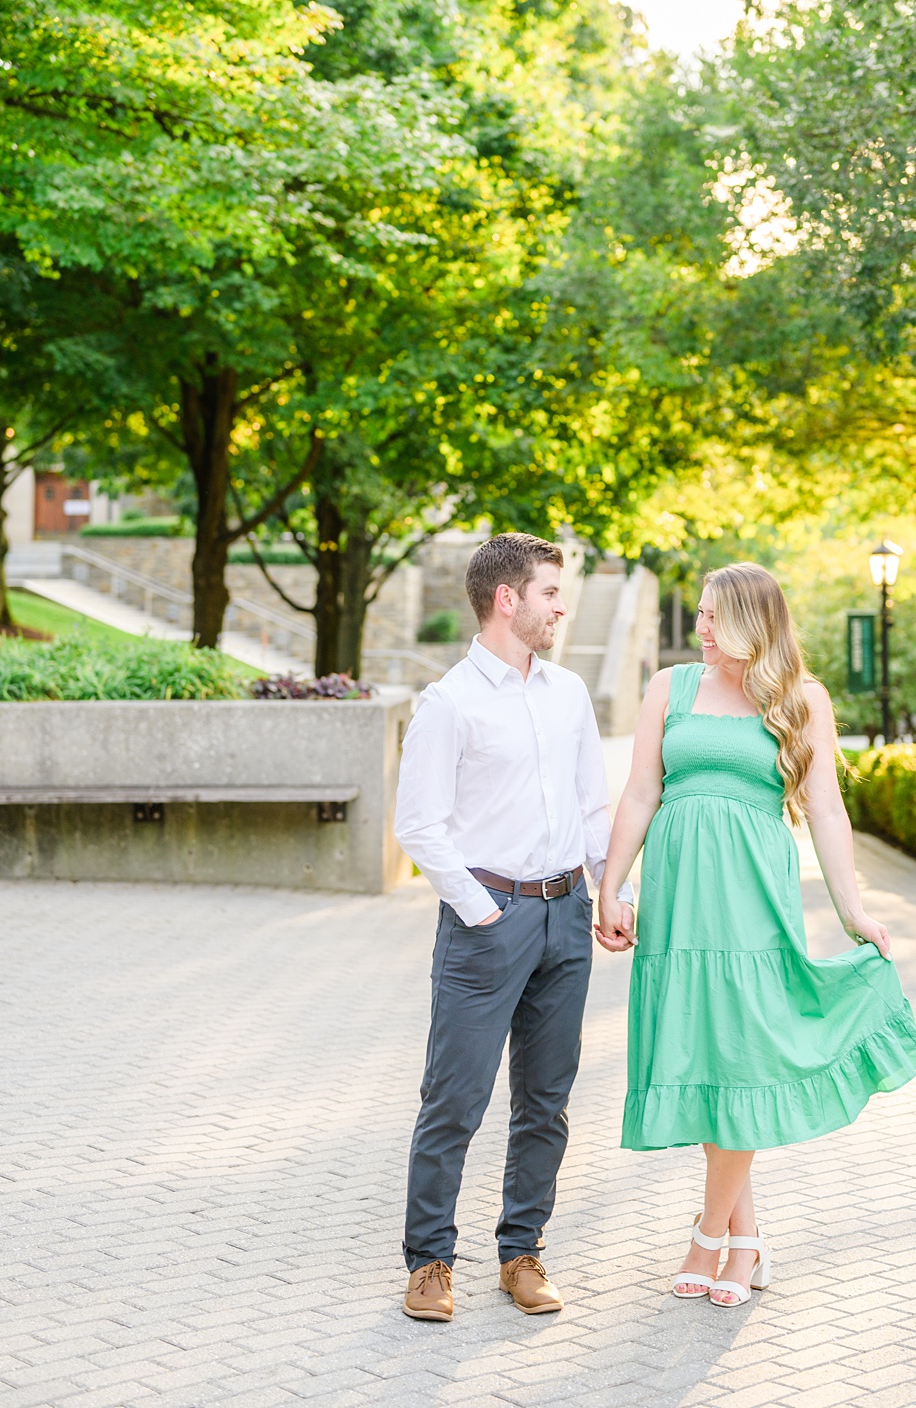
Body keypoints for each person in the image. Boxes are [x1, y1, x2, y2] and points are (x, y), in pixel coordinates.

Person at [596, 562, 916, 1306]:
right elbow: (642, 790)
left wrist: (852, 911)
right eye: (701, 616)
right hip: (679, 903)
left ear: (752, 621)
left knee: (741, 1055)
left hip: (751, 901)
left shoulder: (801, 698)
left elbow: (827, 809)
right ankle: (744, 1241)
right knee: (709, 1054)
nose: (701, 629)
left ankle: (708, 1237)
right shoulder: (669, 688)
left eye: (715, 617)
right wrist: (611, 886)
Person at [389, 532, 620, 1324]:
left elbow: (594, 805)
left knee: (546, 1101)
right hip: (488, 920)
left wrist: (608, 890)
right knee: (453, 1099)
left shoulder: (568, 695)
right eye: (551, 593)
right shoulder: (448, 703)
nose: (562, 607)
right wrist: (483, 910)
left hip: (567, 920)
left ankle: (522, 1252)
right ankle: (429, 1264)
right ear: (507, 599)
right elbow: (418, 825)